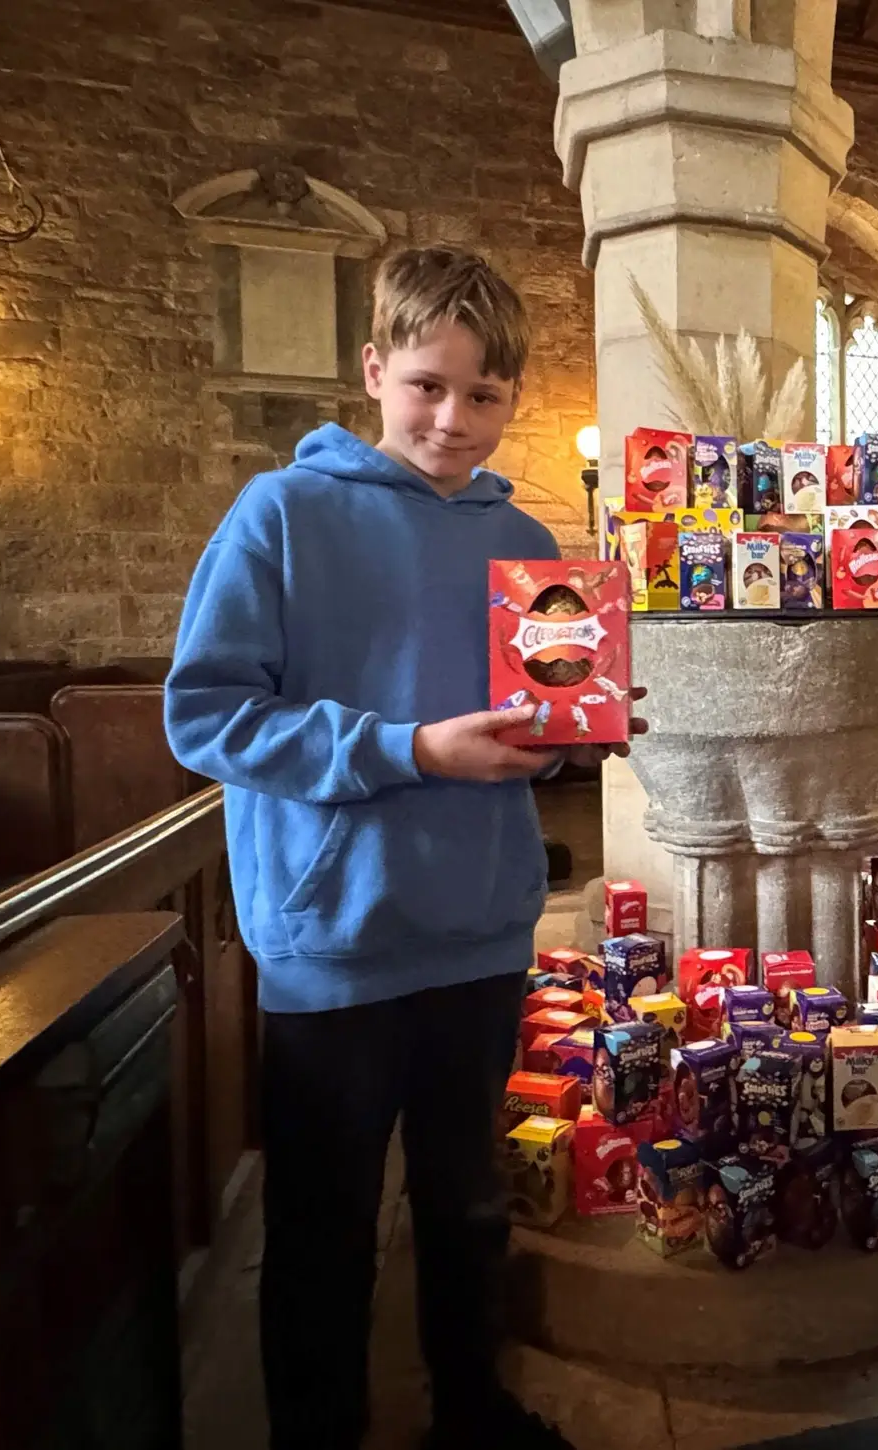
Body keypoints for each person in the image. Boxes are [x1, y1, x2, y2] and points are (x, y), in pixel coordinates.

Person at [166, 246, 629, 1450]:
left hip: (478, 928)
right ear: (374, 370)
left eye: (483, 395)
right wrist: (413, 748)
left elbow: (546, 711)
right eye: (427, 383)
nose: (451, 417)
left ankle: (470, 1412)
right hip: (337, 938)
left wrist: (568, 740)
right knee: (322, 1229)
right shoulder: (283, 512)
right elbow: (206, 715)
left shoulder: (525, 533)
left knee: (472, 1203)